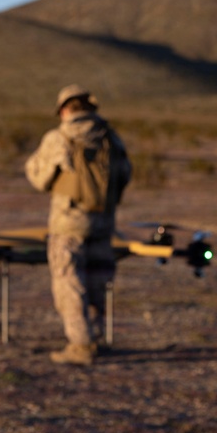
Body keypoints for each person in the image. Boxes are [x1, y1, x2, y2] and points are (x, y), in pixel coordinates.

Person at [25, 85, 131, 365]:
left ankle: (80, 344)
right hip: (104, 221)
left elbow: (39, 178)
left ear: (64, 109)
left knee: (69, 283)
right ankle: (94, 337)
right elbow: (125, 174)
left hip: (69, 223)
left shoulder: (59, 138)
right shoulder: (110, 137)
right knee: (98, 279)